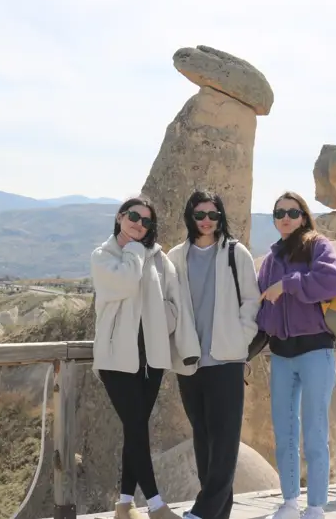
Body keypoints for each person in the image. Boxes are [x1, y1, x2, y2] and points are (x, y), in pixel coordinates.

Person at [91, 196, 201, 519]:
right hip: (115, 360)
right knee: (137, 427)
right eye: (134, 216)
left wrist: (161, 318)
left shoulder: (160, 259)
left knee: (134, 429)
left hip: (152, 358)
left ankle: (124, 505)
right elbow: (124, 284)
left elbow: (174, 301)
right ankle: (155, 505)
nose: (139, 224)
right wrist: (135, 251)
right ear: (120, 216)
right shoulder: (104, 256)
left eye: (146, 221)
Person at [167, 190, 261, 519]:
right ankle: (218, 514)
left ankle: (203, 511)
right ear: (190, 217)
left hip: (226, 361)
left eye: (213, 215)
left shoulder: (237, 254)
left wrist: (240, 338)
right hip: (190, 362)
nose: (207, 221)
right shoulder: (176, 257)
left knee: (224, 443)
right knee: (203, 440)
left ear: (221, 217)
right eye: (200, 214)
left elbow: (252, 302)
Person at [256, 191, 336, 519]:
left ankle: (316, 505)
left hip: (315, 350)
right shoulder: (272, 256)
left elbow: (331, 281)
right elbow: (263, 302)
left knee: (315, 430)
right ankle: (290, 502)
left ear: (303, 215)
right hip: (281, 354)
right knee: (284, 430)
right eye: (279, 213)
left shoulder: (317, 245)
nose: (286, 218)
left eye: (292, 212)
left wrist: (288, 284)